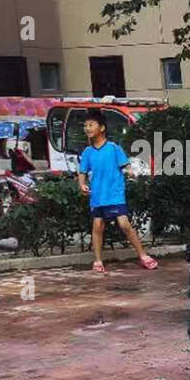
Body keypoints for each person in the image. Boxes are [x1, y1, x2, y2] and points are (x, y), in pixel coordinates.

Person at [76, 111, 157, 275]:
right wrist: (82, 184)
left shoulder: (114, 148)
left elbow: (125, 165)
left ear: (102, 128)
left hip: (115, 194)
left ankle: (143, 255)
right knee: (98, 226)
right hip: (97, 196)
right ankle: (98, 260)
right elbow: (82, 171)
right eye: (85, 125)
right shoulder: (87, 152)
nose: (87, 128)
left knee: (124, 224)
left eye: (91, 125)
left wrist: (130, 171)